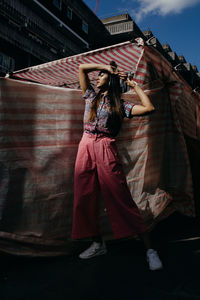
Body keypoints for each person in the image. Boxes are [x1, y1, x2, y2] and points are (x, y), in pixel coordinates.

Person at [72, 61, 163, 271]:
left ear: (111, 80)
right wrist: (105, 66)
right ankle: (97, 244)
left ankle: (150, 250)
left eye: (102, 76)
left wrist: (135, 86)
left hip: (105, 146)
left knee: (120, 197)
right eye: (99, 75)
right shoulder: (90, 96)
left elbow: (150, 108)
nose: (98, 77)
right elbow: (82, 68)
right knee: (83, 197)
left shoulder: (121, 105)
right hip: (85, 144)